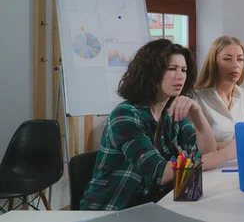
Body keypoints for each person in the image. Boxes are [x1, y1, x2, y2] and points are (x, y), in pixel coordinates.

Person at [80, 39, 234, 211]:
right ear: (151, 72)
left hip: (153, 206)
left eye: (183, 70)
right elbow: (159, 173)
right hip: (115, 210)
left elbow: (206, 151)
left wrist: (197, 112)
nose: (180, 76)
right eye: (172, 69)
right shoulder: (125, 115)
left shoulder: (170, 113)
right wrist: (226, 154)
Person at [195, 36, 244, 150]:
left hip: (240, 163)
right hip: (210, 165)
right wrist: (229, 146)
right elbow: (192, 147)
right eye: (227, 59)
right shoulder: (197, 98)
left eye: (240, 59)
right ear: (213, 62)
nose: (235, 65)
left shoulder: (243, 95)